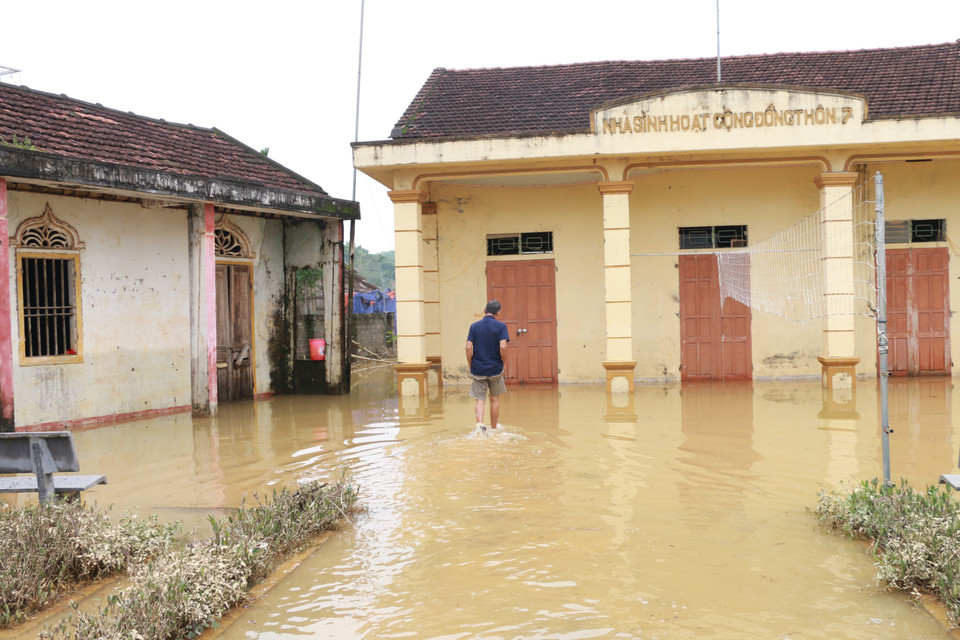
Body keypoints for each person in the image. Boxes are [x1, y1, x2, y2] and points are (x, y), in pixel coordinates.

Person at [465, 300, 510, 430]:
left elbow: (468, 347)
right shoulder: (501, 327)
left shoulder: (474, 326)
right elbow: (503, 346)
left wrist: (470, 364)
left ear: (485, 310)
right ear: (498, 312)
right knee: (494, 400)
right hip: (495, 369)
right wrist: (504, 364)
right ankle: (493, 429)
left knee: (480, 400)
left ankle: (480, 425)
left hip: (478, 369)